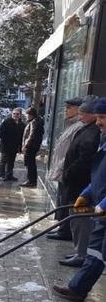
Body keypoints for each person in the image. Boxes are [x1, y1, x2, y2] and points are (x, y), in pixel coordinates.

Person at [53, 97, 106, 302]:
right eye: (98, 117)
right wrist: (86, 193)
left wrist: (103, 203)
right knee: (94, 252)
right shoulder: (104, 140)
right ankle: (77, 289)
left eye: (102, 117)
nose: (98, 122)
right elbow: (100, 176)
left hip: (104, 206)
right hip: (102, 209)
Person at [58, 98, 100, 266]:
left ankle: (82, 254)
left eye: (83, 114)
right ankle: (79, 251)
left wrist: (68, 173)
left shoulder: (93, 133)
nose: (80, 116)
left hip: (80, 184)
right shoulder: (87, 129)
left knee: (81, 221)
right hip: (77, 184)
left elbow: (85, 160)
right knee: (76, 220)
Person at [45, 97, 86, 240]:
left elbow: (71, 152)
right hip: (62, 169)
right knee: (62, 199)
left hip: (66, 169)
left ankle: (65, 230)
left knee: (66, 200)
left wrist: (63, 168)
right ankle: (62, 227)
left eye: (69, 108)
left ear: (78, 109)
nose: (65, 110)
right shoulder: (71, 125)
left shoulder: (79, 127)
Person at [0, 108, 25, 181]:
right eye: (14, 113)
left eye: (17, 114)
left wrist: (20, 146)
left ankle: (9, 175)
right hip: (6, 145)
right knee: (4, 161)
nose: (15, 115)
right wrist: (6, 141)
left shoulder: (21, 125)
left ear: (20, 115)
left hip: (14, 146)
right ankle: (2, 175)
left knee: (11, 162)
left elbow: (22, 136)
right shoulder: (6, 122)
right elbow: (1, 133)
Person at [20, 107, 45, 188]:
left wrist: (26, 145)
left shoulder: (34, 122)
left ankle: (31, 180)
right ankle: (31, 180)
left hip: (31, 146)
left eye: (27, 115)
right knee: (31, 163)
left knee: (29, 163)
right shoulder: (36, 121)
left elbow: (31, 135)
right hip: (33, 146)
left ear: (30, 115)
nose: (26, 116)